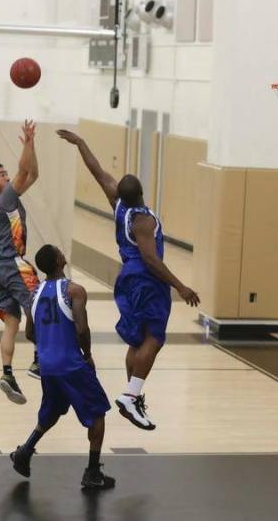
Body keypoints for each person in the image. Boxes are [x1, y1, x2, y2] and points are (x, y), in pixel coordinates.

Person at [58, 129, 200, 431]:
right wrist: (180, 286)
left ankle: (131, 396)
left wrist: (81, 143)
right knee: (155, 338)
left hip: (127, 278)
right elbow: (150, 258)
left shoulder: (117, 204)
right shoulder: (144, 220)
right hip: (146, 279)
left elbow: (98, 172)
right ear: (142, 193)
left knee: (138, 339)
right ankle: (131, 395)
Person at [10, 245, 115, 490]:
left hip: (47, 366)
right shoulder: (74, 290)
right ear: (59, 260)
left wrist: (49, 344)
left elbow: (29, 333)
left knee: (53, 410)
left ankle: (24, 452)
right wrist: (87, 355)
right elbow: (82, 329)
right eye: (59, 251)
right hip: (71, 364)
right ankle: (92, 472)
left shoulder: (34, 294)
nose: (62, 253)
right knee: (97, 414)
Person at [0, 119, 41, 405]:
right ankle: (39, 360)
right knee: (39, 307)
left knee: (11, 323)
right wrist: (28, 142)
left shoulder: (0, 198)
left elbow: (34, 174)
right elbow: (24, 171)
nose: (7, 177)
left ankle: (7, 374)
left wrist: (31, 146)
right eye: (1, 174)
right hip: (13, 264)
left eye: (7, 174)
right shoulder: (4, 197)